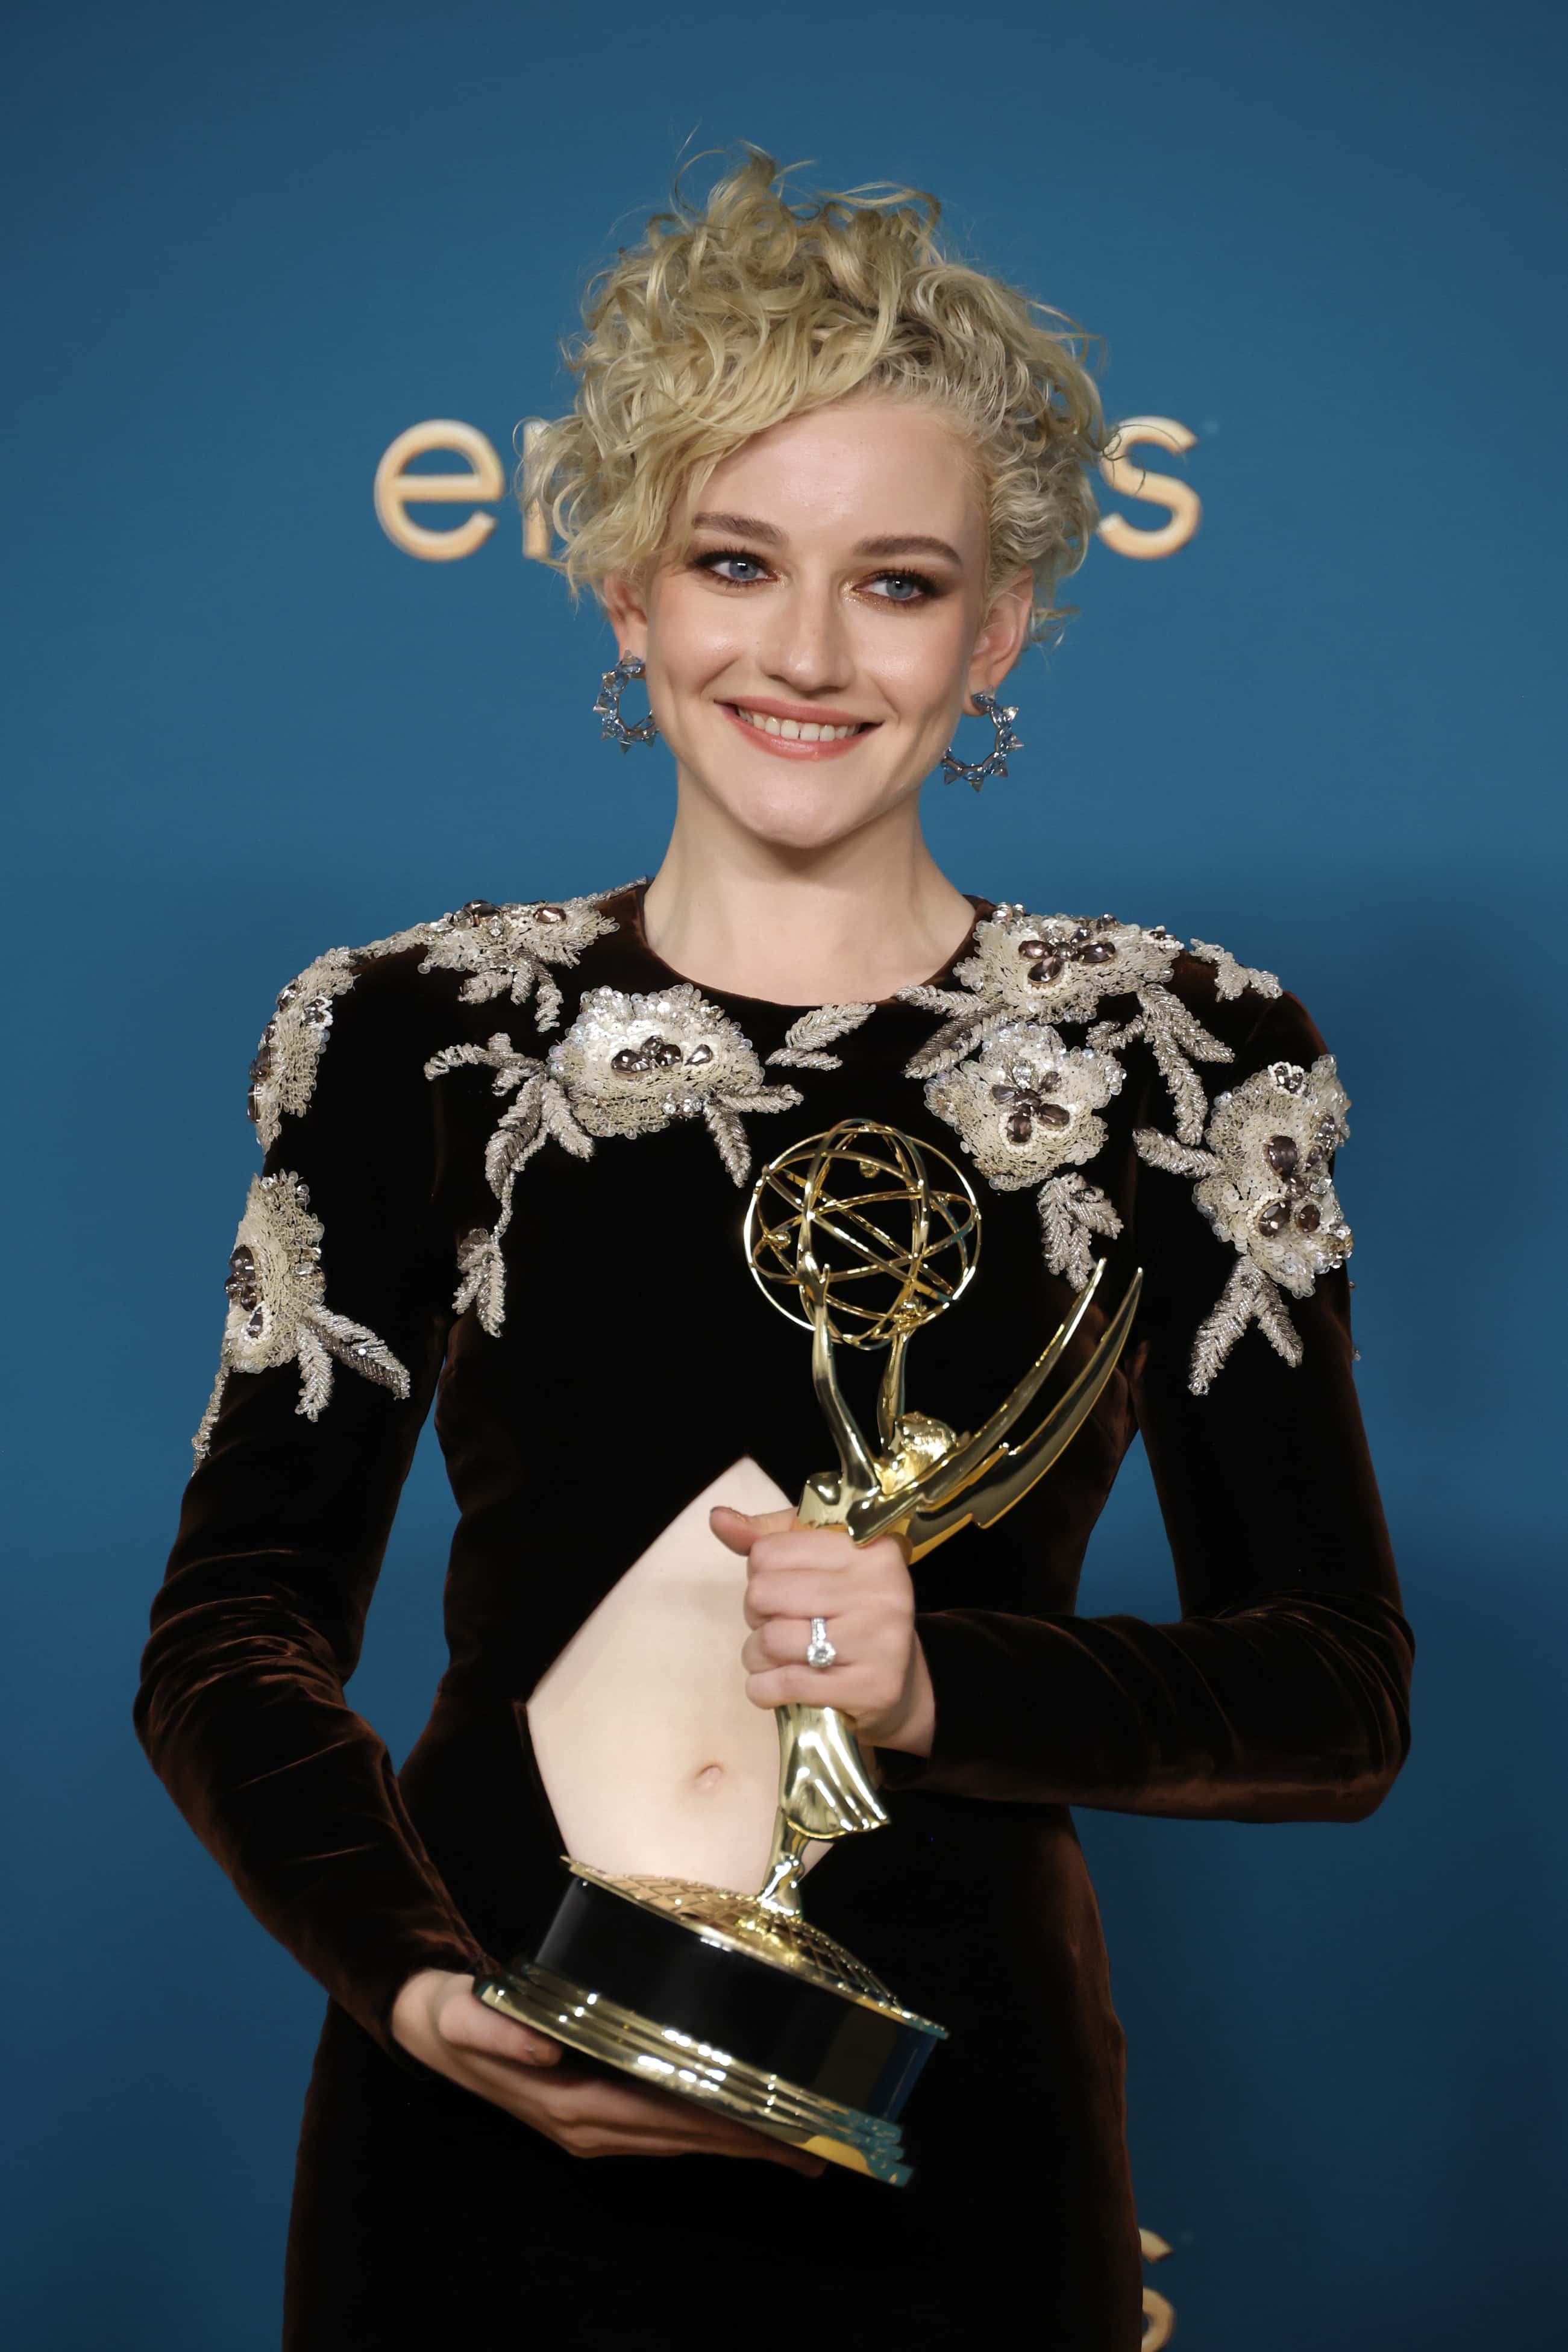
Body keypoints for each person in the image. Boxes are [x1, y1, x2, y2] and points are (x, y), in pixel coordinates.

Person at [134, 149, 1413, 2347]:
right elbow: (233, 1634)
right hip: (481, 2088)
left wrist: (942, 1679)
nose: (806, 654)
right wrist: (418, 1984)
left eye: (896, 583)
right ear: (628, 589)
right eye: (737, 562)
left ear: (996, 626)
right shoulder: (410, 1034)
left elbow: (1332, 1691)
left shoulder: (1189, 1056)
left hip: (954, 2122)